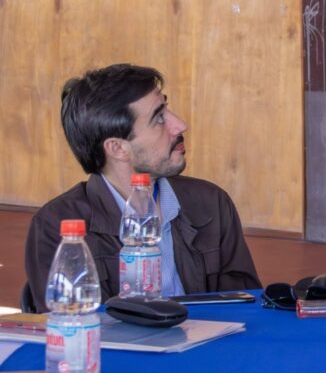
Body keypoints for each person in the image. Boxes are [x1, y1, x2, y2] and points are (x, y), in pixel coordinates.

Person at [25, 64, 261, 306]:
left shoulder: (210, 202)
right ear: (118, 148)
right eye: (159, 118)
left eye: (167, 109)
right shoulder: (57, 226)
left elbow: (246, 305)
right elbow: (71, 322)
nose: (180, 125)